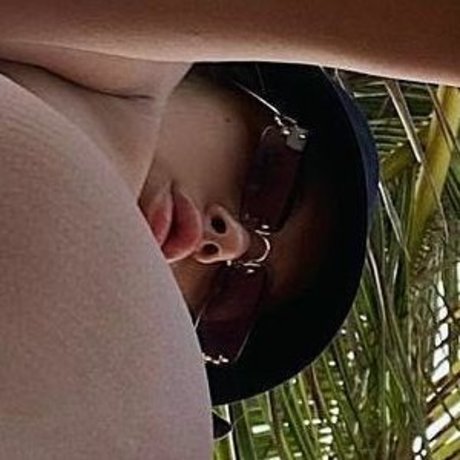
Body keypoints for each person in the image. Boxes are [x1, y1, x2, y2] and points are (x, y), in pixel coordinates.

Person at [0, 1, 458, 458]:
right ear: (234, 77)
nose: (231, 243)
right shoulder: (122, 70)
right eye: (272, 183)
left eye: (234, 296)